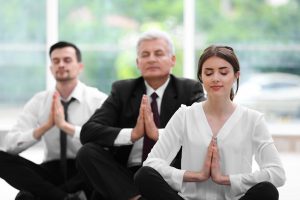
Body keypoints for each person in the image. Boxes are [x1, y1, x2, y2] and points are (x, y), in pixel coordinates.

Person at [135, 45, 286, 200]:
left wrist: (227, 180)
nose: (215, 78)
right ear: (201, 77)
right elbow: (151, 163)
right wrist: (194, 176)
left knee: (268, 190)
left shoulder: (253, 120)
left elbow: (277, 174)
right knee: (144, 175)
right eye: (208, 73)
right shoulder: (185, 115)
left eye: (223, 72)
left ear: (236, 75)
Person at [76, 30, 205, 200]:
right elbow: (88, 132)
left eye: (158, 53)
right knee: (87, 152)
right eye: (145, 54)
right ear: (138, 62)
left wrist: (158, 134)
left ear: (172, 60)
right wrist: (132, 134)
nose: (151, 59)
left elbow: (203, 127)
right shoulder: (123, 90)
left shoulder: (189, 89)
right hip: (125, 175)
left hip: (167, 172)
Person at [0, 41, 107, 200]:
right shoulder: (39, 101)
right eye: (56, 61)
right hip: (51, 170)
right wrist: (44, 128)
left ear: (80, 66)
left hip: (85, 171)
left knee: (101, 172)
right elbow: (9, 146)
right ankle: (62, 197)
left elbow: (107, 144)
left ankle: (57, 195)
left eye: (67, 60)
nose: (61, 65)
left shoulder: (97, 100)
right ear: (51, 69)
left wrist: (65, 126)